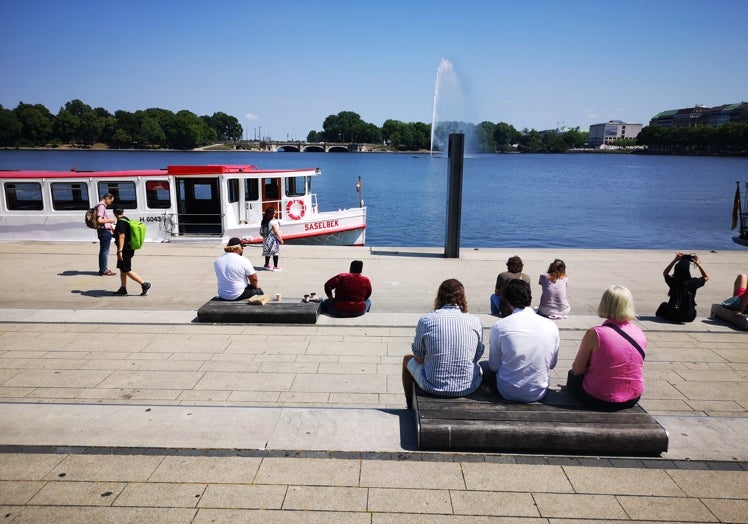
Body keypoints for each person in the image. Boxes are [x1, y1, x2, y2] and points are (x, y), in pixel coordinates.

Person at [402, 279, 484, 408]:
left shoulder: (426, 320)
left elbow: (418, 358)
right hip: (468, 387)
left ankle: (409, 403)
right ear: (462, 297)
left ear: (439, 296)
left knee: (407, 359)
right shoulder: (475, 321)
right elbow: (476, 357)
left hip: (433, 386)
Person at [566, 285, 646, 411]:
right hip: (633, 397)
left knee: (572, 376)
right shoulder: (639, 332)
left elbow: (577, 369)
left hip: (599, 398)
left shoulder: (595, 333)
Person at [485, 279, 560, 402]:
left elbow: (494, 366)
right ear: (529, 297)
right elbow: (552, 364)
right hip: (538, 392)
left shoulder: (500, 326)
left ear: (507, 301)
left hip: (507, 391)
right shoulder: (551, 326)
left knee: (485, 366)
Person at [655, 252, 709, 322]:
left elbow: (665, 273)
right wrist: (698, 264)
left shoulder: (673, 281)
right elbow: (706, 277)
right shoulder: (693, 282)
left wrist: (675, 260)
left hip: (673, 314)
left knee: (663, 305)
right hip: (689, 316)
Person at [111, 209, 151, 296]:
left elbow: (122, 236)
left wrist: (120, 250)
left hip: (124, 250)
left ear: (114, 213)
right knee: (122, 269)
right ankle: (123, 289)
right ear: (123, 212)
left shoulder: (121, 222)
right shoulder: (126, 219)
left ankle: (145, 284)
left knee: (126, 270)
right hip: (129, 248)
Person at [95, 193, 117, 276]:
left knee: (103, 251)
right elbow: (99, 220)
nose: (111, 203)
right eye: (111, 200)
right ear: (107, 198)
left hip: (102, 231)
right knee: (105, 251)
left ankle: (102, 269)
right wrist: (111, 221)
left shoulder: (99, 205)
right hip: (104, 231)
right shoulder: (101, 206)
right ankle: (104, 270)